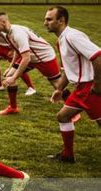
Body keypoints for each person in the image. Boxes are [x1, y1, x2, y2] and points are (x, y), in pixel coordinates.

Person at [44, 6, 101, 163]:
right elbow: (67, 70)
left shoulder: (72, 36)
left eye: (49, 19)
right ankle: (67, 155)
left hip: (90, 87)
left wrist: (97, 86)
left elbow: (98, 56)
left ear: (61, 20)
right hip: (80, 89)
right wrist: (59, 89)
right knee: (63, 116)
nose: (45, 23)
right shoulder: (61, 40)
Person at [0, 12, 61, 115]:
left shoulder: (18, 33)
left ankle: (73, 110)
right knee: (9, 76)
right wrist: (11, 67)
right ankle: (13, 108)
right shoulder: (7, 33)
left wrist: (14, 77)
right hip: (30, 56)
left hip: (44, 57)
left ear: (3, 22)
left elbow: (26, 58)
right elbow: (17, 50)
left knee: (57, 84)